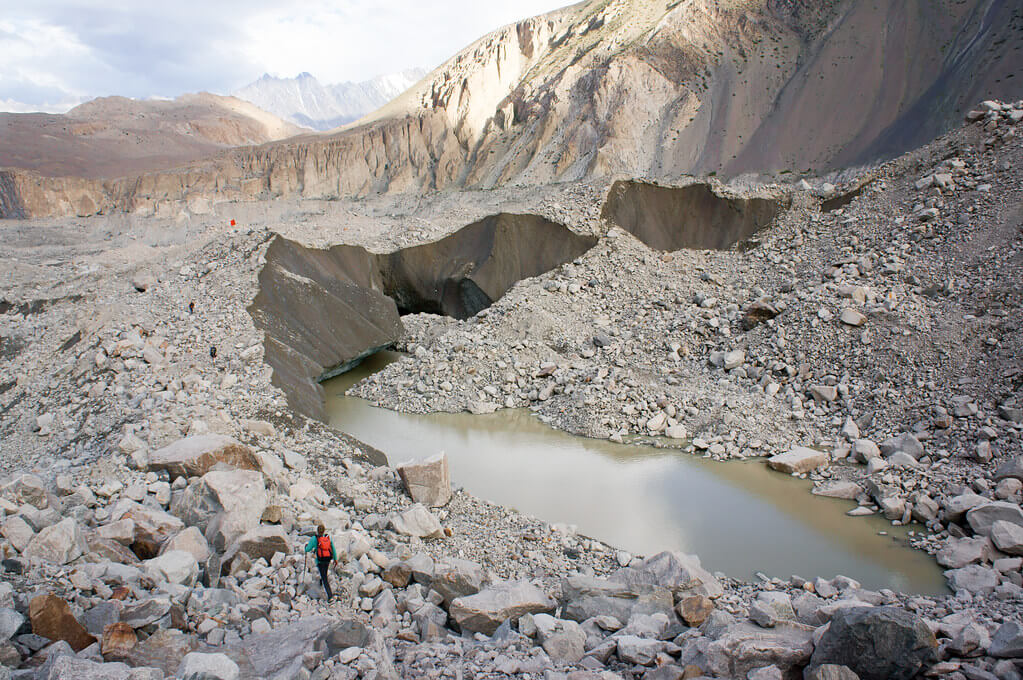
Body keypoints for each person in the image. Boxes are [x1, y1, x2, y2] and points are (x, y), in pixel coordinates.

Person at [304, 524, 338, 600]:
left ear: (317, 530)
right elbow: (333, 548)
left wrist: (306, 547)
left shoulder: (314, 538)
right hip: (328, 559)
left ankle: (330, 596)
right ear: (324, 531)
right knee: (324, 573)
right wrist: (335, 559)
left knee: (324, 577)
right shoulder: (327, 537)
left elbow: (308, 549)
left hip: (320, 560)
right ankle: (321, 583)